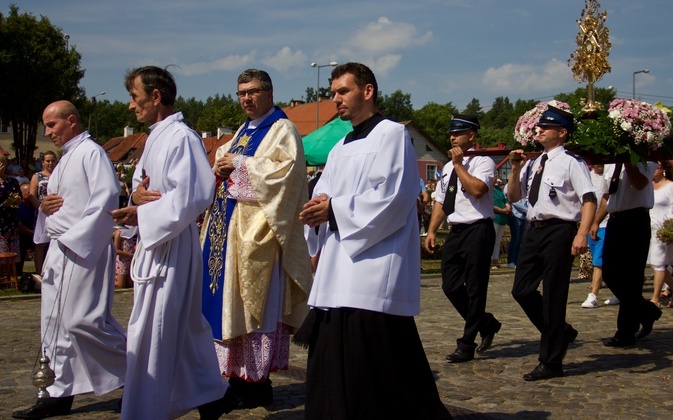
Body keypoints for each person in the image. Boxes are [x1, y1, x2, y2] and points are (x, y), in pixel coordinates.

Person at [300, 62, 450, 419]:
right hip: (338, 266)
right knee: (333, 358)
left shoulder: (391, 135)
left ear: (368, 91)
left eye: (343, 91)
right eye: (333, 93)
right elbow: (324, 193)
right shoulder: (340, 146)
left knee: (375, 364)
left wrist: (334, 211)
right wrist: (315, 210)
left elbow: (394, 199)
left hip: (373, 266)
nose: (336, 99)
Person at [112, 66, 235, 419]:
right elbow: (143, 186)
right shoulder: (154, 136)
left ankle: (147, 410)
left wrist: (143, 215)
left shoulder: (182, 136)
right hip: (158, 244)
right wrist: (136, 197)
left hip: (173, 246)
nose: (130, 106)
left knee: (156, 332)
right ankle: (212, 394)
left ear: (155, 96)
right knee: (180, 331)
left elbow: (195, 194)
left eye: (135, 98)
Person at [200, 68, 312, 408]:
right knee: (229, 307)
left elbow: (287, 176)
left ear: (269, 93)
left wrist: (239, 164)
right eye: (241, 93)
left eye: (252, 92)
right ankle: (237, 378)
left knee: (255, 310)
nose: (246, 98)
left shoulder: (282, 129)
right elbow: (230, 168)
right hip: (228, 234)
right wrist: (222, 165)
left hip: (258, 237)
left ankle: (257, 382)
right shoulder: (240, 132)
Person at [12, 101, 127, 419]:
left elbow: (106, 199)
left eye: (52, 125)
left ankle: (140, 371)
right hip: (62, 248)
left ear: (72, 120)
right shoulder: (65, 160)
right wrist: (46, 208)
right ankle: (58, 390)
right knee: (55, 322)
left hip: (83, 248)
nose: (48, 133)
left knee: (83, 320)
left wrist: (78, 240)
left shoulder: (91, 153)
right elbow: (62, 203)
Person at [507, 105, 596, 380]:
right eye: (540, 126)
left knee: (554, 296)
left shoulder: (572, 162)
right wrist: (514, 169)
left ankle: (551, 361)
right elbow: (513, 196)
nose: (540, 130)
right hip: (534, 229)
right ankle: (562, 332)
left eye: (547, 127)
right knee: (521, 290)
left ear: (562, 132)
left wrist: (582, 233)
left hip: (560, 230)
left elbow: (589, 199)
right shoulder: (535, 163)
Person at [425, 114, 502, 362]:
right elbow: (441, 200)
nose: (452, 137)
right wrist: (433, 230)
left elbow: (478, 190)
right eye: (450, 133)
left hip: (478, 229)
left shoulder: (483, 162)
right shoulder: (446, 167)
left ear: (471, 136)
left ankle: (466, 344)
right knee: (451, 286)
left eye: (457, 133)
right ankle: (486, 323)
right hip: (457, 230)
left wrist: (459, 165)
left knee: (476, 288)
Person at [598, 156, 660, 348]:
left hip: (636, 219)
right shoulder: (611, 163)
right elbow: (608, 195)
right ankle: (647, 311)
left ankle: (626, 332)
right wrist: (595, 221)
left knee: (632, 279)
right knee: (609, 273)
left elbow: (640, 183)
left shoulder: (647, 159)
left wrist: (627, 160)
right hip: (615, 219)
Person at [647, 160, 673, 308]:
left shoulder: (672, 187)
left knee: (659, 262)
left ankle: (655, 297)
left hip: (664, 229)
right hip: (650, 227)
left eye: (657, 168)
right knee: (656, 263)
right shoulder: (648, 186)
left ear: (663, 170)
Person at [582, 164, 610, 308]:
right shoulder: (587, 176)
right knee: (598, 258)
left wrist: (597, 222)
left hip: (605, 223)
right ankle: (617, 290)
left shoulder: (608, 175)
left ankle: (594, 295)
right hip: (589, 225)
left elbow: (606, 201)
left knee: (598, 261)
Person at [29, 151, 57, 275]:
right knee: (41, 242)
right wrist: (41, 208)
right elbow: (31, 195)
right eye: (48, 161)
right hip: (43, 213)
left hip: (57, 212)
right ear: (43, 162)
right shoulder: (37, 176)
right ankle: (39, 271)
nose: (50, 163)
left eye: (53, 160)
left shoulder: (58, 175)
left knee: (56, 241)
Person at [491, 179, 510, 269]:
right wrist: (501, 210)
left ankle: (495, 259)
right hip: (495, 217)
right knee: (492, 240)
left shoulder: (498, 189)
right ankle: (490, 260)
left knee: (498, 240)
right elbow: (491, 203)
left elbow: (504, 199)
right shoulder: (489, 189)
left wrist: (507, 205)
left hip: (502, 218)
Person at [506, 191, 527, 268]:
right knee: (515, 239)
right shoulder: (510, 186)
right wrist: (525, 209)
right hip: (515, 216)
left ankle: (516, 260)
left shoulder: (524, 187)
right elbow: (513, 201)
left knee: (520, 240)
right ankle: (510, 261)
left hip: (523, 217)